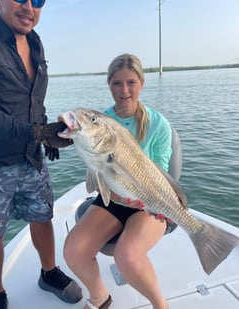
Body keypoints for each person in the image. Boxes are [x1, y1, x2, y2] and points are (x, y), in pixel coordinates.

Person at [0, 0, 82, 308]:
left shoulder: (35, 42)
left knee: (42, 215)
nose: (28, 6)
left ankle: (48, 272)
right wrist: (38, 132)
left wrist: (47, 134)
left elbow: (34, 98)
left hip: (31, 157)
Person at [63, 53, 175, 309]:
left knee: (128, 257)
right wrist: (60, 135)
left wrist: (146, 198)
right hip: (112, 198)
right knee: (74, 250)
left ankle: (161, 305)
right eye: (116, 83)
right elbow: (95, 167)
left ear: (141, 83)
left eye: (131, 82)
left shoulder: (159, 125)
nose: (124, 90)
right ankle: (100, 298)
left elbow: (161, 172)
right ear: (109, 84)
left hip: (149, 202)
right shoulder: (100, 122)